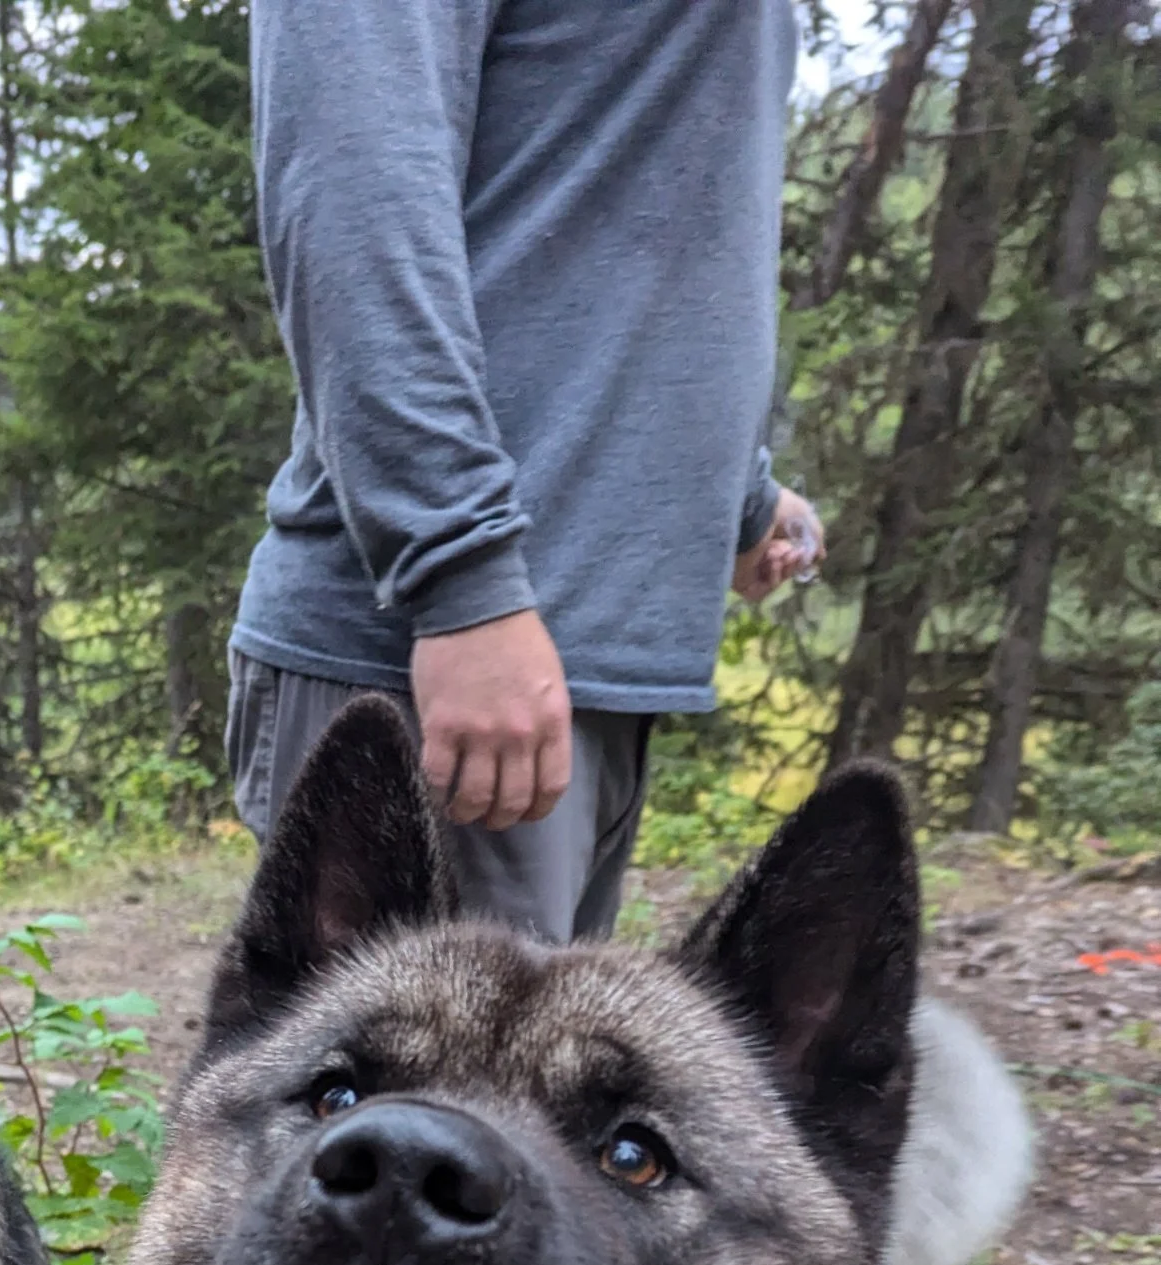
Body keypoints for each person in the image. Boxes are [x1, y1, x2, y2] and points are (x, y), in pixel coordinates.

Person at [226, 0, 825, 943]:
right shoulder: (465, 597)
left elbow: (648, 193)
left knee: (525, 1093)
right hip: (446, 651)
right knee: (442, 1090)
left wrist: (740, 498)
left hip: (569, 663)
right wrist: (460, 575)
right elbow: (352, 196)